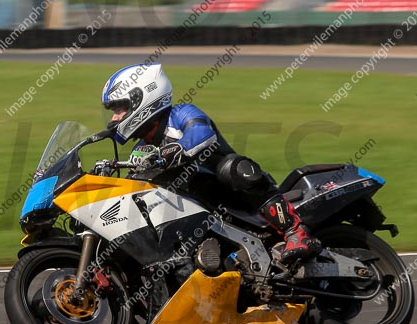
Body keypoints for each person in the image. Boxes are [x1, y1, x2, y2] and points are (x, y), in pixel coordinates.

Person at [101, 63, 319, 265]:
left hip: (232, 193)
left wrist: (176, 150)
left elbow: (201, 133)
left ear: (144, 98)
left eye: (120, 109)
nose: (115, 119)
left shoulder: (181, 114)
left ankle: (296, 232)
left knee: (234, 167)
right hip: (194, 214)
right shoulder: (141, 147)